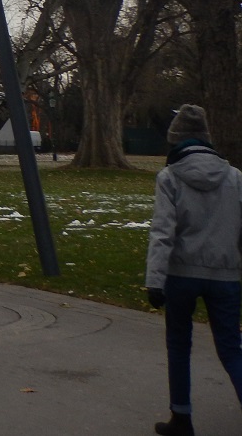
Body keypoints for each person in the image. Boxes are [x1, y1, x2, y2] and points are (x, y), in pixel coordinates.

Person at [146, 104, 242, 436]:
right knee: (231, 348)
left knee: (178, 344)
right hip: (226, 275)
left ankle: (182, 417)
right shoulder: (235, 178)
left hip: (181, 275)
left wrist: (155, 281)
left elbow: (162, 231)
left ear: (176, 141)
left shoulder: (170, 178)